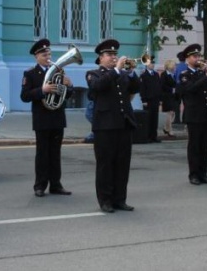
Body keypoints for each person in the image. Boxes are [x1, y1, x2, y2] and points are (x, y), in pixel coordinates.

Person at [86, 39, 139, 213]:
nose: (113, 57)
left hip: (123, 124)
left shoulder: (122, 74)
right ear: (100, 58)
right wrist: (117, 70)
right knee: (105, 165)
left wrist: (131, 73)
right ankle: (105, 200)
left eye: (115, 54)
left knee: (122, 164)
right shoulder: (94, 74)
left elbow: (136, 88)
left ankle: (120, 199)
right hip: (104, 126)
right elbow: (98, 87)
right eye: (109, 55)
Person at [20, 38, 73, 198]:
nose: (47, 56)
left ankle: (56, 185)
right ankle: (40, 185)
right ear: (36, 56)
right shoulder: (30, 73)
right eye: (44, 54)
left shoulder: (58, 71)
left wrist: (69, 85)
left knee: (55, 154)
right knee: (42, 154)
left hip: (57, 117)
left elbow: (66, 95)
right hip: (42, 119)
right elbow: (25, 96)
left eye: (49, 53)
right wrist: (42, 90)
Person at [176, 44, 207, 186]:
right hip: (194, 115)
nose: (198, 59)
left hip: (206, 114)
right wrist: (206, 76)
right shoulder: (184, 75)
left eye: (198, 56)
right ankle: (193, 174)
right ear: (188, 59)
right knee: (194, 146)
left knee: (205, 146)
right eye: (195, 56)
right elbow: (191, 89)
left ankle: (203, 173)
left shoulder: (201, 73)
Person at [139, 56, 162, 143]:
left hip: (155, 99)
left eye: (153, 63)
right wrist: (143, 100)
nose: (152, 65)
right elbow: (142, 89)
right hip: (148, 100)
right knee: (148, 119)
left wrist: (160, 99)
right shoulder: (144, 75)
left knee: (154, 119)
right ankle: (147, 136)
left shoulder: (156, 74)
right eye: (150, 63)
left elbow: (159, 87)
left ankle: (154, 136)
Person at [160, 59, 177, 137]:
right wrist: (171, 89)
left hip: (172, 96)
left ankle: (166, 128)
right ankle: (170, 130)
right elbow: (162, 85)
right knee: (169, 113)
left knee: (172, 113)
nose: (175, 67)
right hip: (166, 96)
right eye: (173, 65)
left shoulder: (172, 74)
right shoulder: (164, 74)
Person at [172, 51, 188, 124]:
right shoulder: (187, 66)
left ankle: (177, 119)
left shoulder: (176, 66)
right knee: (186, 103)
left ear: (179, 59)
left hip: (178, 87)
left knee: (176, 103)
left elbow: (174, 77)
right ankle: (185, 119)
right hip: (186, 86)